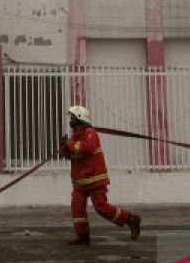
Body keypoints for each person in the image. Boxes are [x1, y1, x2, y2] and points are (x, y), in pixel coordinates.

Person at [59, 105, 141, 245]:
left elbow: (87, 148)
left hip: (95, 180)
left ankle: (131, 219)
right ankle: (82, 236)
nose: (71, 120)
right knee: (77, 207)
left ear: (80, 117)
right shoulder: (75, 136)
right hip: (80, 182)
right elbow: (72, 153)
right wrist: (63, 148)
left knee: (101, 207)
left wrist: (70, 144)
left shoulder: (90, 132)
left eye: (73, 116)